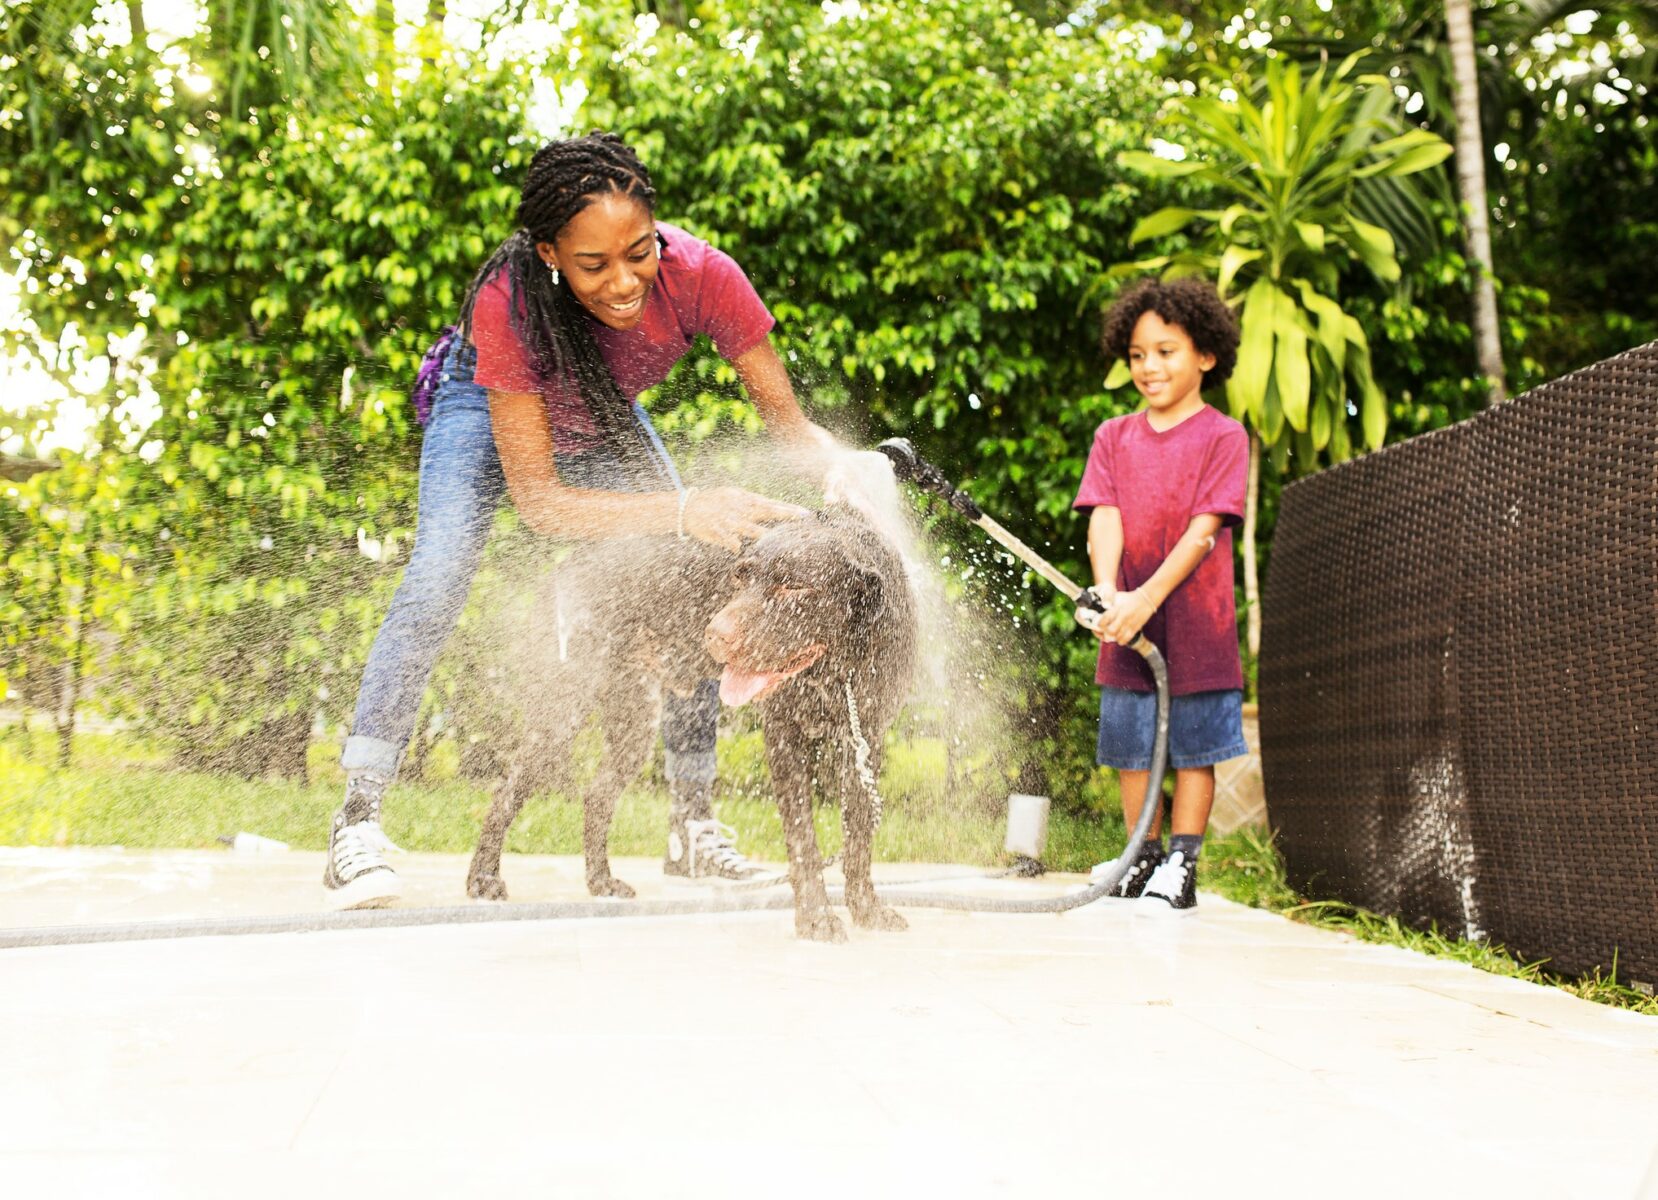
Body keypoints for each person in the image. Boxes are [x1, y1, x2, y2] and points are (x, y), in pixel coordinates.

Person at [326, 132, 842, 910]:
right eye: (594, 266)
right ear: (549, 254)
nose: (625, 280)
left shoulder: (703, 276)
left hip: (599, 417)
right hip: (484, 404)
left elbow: (790, 428)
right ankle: (357, 823)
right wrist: (680, 508)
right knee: (437, 575)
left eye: (639, 252)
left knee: (698, 576)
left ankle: (691, 825)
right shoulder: (509, 303)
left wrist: (854, 479)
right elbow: (539, 504)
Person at [1072, 277, 1247, 914]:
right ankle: (1139, 854)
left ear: (1205, 356)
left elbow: (1206, 531)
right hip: (1127, 616)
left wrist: (1147, 597)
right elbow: (1104, 516)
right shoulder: (1113, 436)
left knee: (1196, 745)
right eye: (1139, 354)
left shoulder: (1224, 438)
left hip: (1198, 621)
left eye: (1166, 351)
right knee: (1130, 742)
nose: (1150, 366)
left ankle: (1180, 862)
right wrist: (1111, 593)